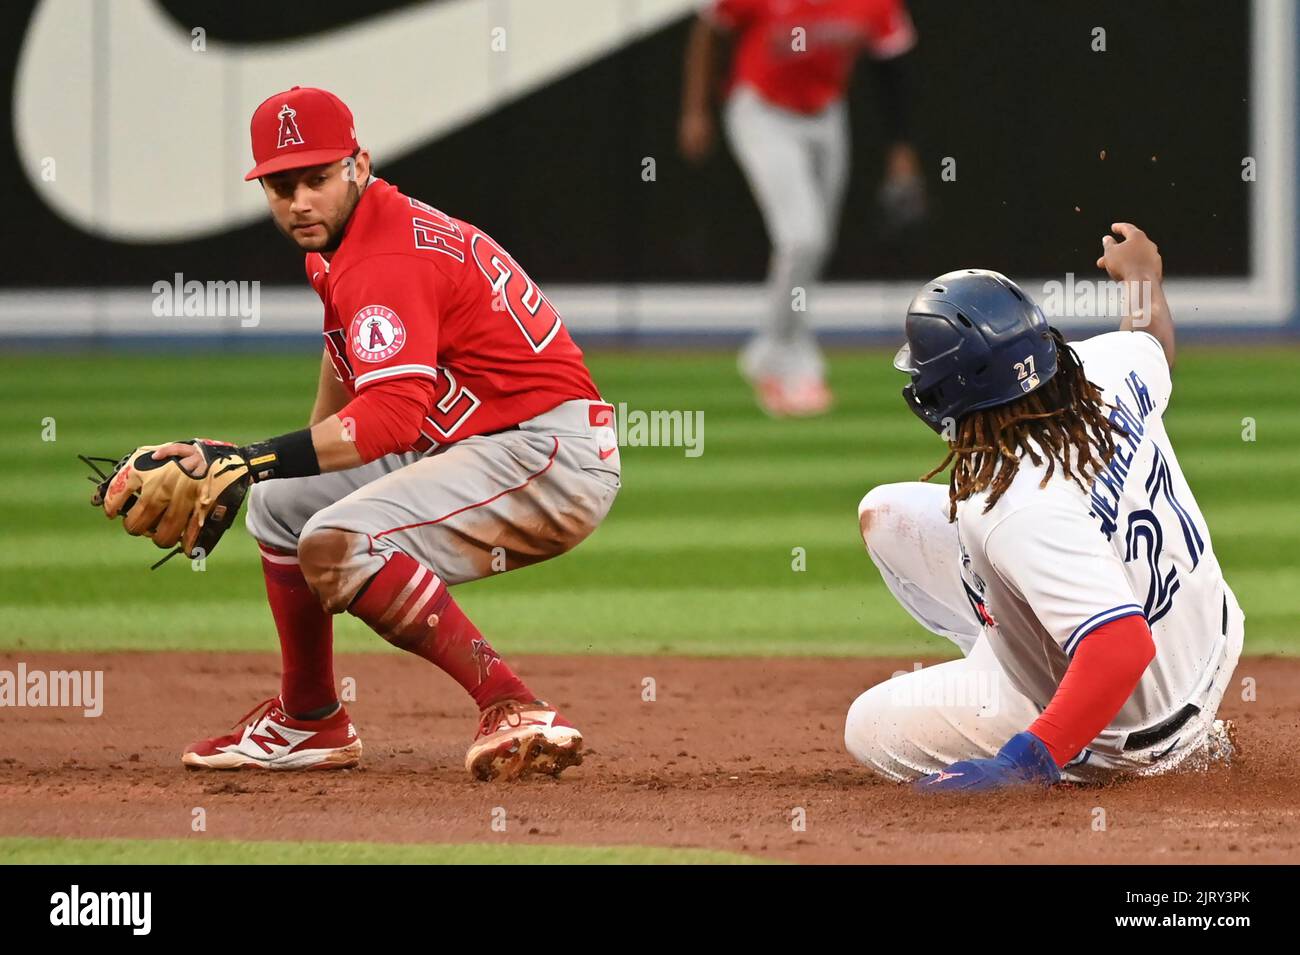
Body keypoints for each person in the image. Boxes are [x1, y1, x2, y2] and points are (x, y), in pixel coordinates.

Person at [147, 86, 621, 781]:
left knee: (336, 542)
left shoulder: (383, 259)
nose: (301, 200)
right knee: (282, 504)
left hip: (547, 455)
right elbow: (348, 361)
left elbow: (393, 416)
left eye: (318, 178)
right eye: (282, 185)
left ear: (359, 165)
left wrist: (248, 457)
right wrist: (281, 469)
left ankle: (514, 705)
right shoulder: (347, 241)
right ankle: (309, 720)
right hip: (485, 440)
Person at [844, 224, 1243, 790]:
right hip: (1206, 644)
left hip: (1133, 730)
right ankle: (1015, 661)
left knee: (867, 728)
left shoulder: (1010, 504)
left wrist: (1026, 761)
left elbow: (1120, 646)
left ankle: (1064, 733)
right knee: (886, 514)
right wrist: (1142, 277)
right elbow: (1152, 343)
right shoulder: (1103, 369)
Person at [679, 0, 923, 416]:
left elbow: (891, 67)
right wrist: (696, 109)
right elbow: (708, 28)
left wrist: (901, 147)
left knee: (816, 244)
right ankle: (771, 356)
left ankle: (796, 354)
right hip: (761, 109)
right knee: (802, 239)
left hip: (826, 114)